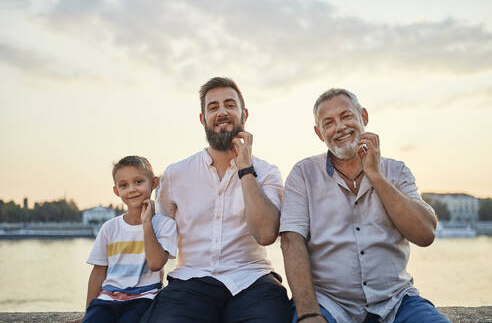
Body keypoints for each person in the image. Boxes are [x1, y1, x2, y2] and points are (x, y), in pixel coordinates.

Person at [280, 89, 450, 323]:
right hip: (328, 303)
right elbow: (291, 241)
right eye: (328, 123)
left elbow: (425, 234)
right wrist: (309, 313)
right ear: (320, 134)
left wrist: (376, 175)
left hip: (396, 301)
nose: (339, 127)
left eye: (346, 116)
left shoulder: (396, 171)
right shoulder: (303, 174)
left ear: (364, 117)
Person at [140, 77, 291, 323]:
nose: (222, 111)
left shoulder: (267, 172)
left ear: (244, 114)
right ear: (203, 119)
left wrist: (245, 169)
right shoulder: (175, 174)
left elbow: (266, 235)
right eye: (213, 107)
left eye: (230, 105)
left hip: (253, 281)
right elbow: (161, 247)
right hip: (190, 281)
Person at [81, 156, 177, 323]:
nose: (131, 189)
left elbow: (155, 263)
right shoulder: (109, 228)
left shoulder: (165, 225)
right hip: (108, 299)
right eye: (124, 185)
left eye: (138, 182)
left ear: (154, 183)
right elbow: (98, 273)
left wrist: (147, 223)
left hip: (144, 298)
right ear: (117, 191)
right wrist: (88, 312)